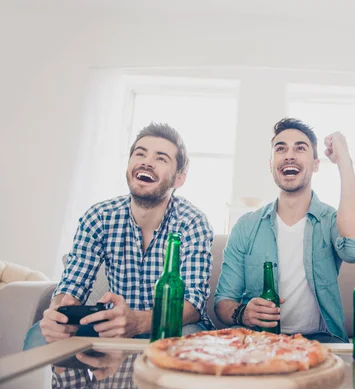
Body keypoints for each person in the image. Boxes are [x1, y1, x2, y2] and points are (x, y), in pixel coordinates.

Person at [24, 123, 214, 349]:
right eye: (140, 154)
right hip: (111, 327)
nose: (146, 162)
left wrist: (137, 322)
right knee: (40, 335)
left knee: (192, 339)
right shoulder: (99, 217)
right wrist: (59, 315)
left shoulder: (193, 223)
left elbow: (192, 305)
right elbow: (71, 288)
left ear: (179, 179)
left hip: (171, 328)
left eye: (161, 158)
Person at [214, 118, 355, 343]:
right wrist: (243, 313)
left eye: (300, 148)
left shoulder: (331, 221)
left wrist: (344, 162)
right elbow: (222, 303)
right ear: (271, 164)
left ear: (316, 164)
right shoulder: (246, 226)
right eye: (281, 149)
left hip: (322, 340)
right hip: (262, 342)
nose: (289, 155)